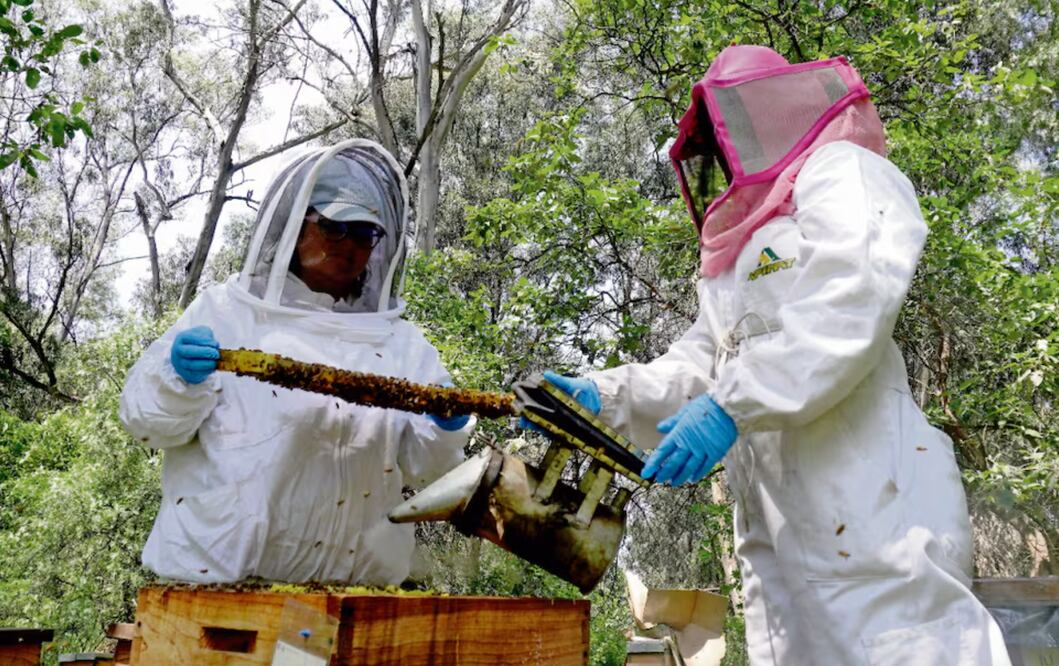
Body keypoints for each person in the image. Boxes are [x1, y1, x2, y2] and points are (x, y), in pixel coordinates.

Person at [528, 47, 1011, 664]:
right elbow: (700, 367)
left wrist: (733, 403)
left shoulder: (842, 171)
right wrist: (601, 396)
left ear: (773, 110)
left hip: (873, 518)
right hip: (779, 549)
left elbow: (850, 297)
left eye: (730, 129)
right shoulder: (736, 257)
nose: (726, 151)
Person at [120, 139, 472, 585]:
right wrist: (176, 378)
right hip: (219, 592)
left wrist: (445, 427)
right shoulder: (228, 312)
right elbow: (147, 423)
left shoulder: (401, 343)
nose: (350, 246)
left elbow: (430, 471)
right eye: (335, 227)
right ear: (296, 226)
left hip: (354, 595)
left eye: (365, 235)